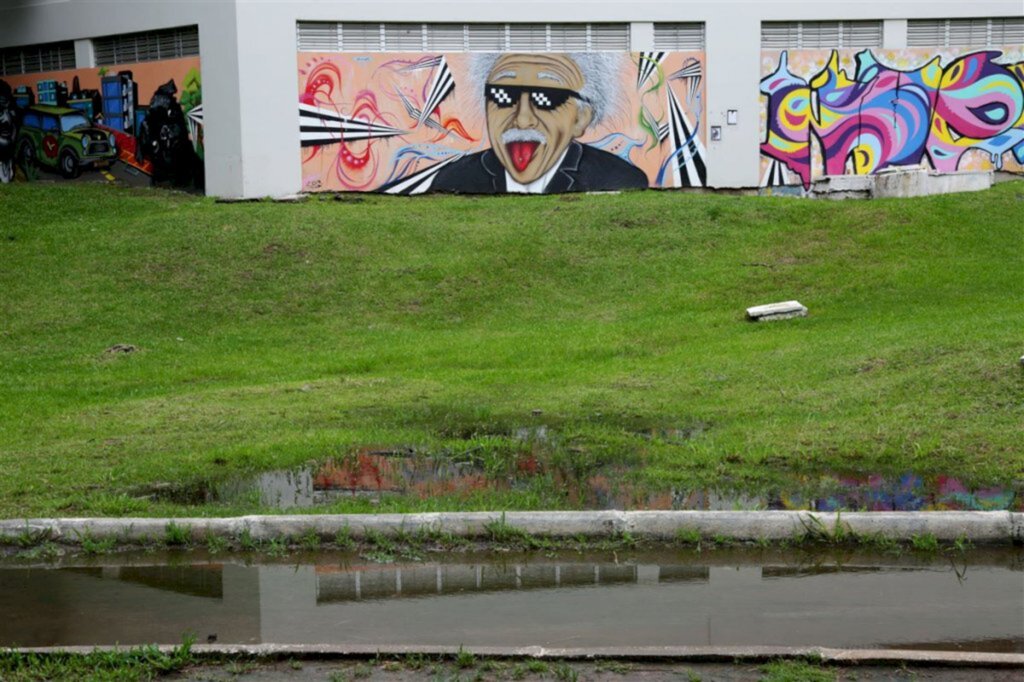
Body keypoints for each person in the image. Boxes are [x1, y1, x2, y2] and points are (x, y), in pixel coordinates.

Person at [385, 53, 648, 194]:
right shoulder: (454, 179)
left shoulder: (620, 179)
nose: (522, 118)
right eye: (503, 96)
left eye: (546, 99)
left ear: (581, 118)